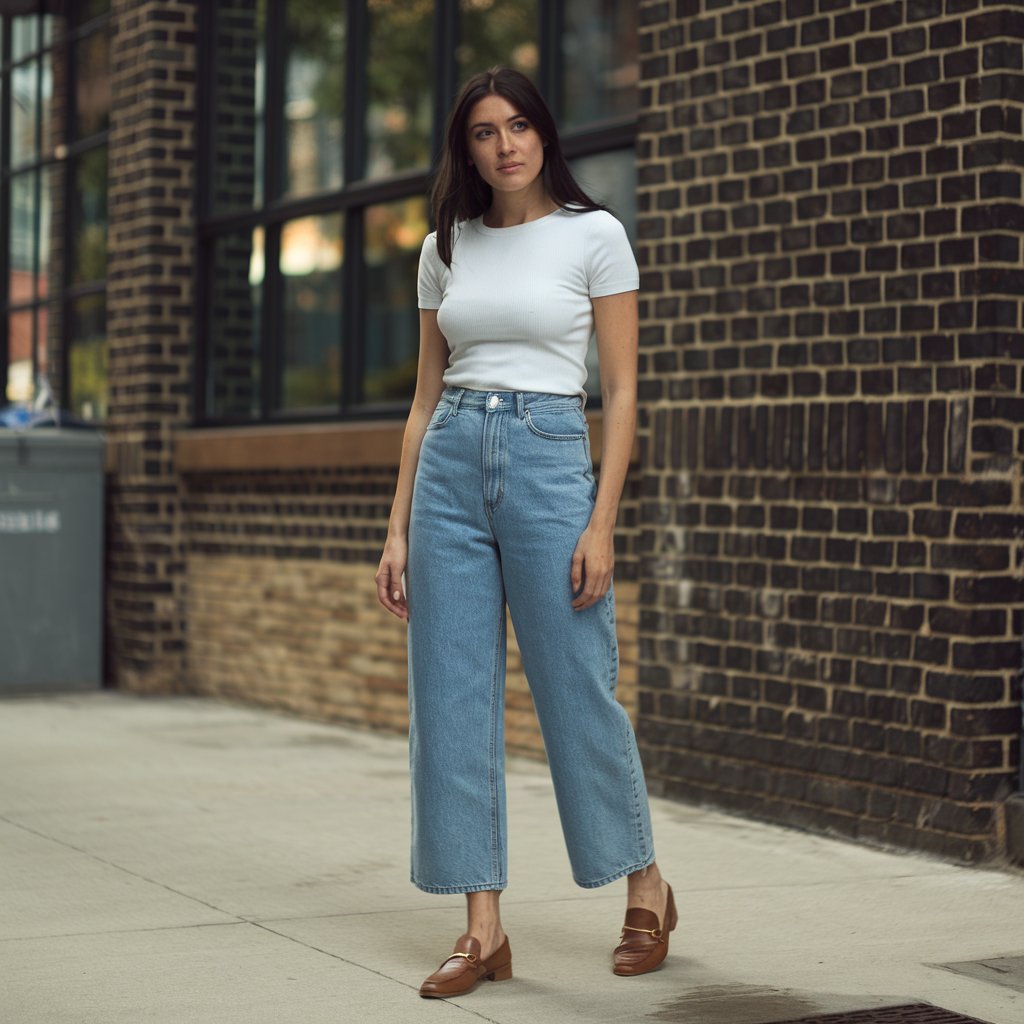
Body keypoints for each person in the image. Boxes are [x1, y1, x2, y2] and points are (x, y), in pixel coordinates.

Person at [375, 66, 674, 999]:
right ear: (464, 149)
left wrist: (604, 517)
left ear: (544, 134)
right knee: (452, 701)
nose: (504, 145)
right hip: (452, 464)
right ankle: (482, 930)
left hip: (550, 460)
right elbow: (424, 399)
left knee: (578, 688)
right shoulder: (445, 247)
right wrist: (396, 531)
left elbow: (620, 391)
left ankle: (647, 887)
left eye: (518, 127)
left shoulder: (595, 235)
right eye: (483, 133)